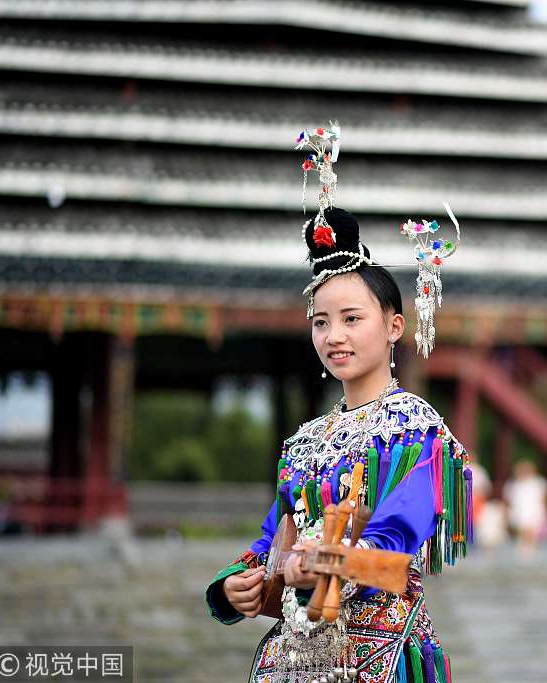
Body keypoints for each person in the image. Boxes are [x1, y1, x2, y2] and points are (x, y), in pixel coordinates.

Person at [204, 126, 471, 683]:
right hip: (293, 654)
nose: (334, 336)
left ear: (395, 326)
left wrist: (331, 561)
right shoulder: (304, 441)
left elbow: (400, 528)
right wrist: (238, 582)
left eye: (353, 319)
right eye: (321, 322)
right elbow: (273, 533)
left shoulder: (417, 427)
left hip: (384, 652)